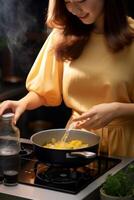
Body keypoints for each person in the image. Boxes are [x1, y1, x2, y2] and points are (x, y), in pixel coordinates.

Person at [0, 0, 134, 157]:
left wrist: (118, 110)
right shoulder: (62, 34)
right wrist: (21, 103)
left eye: (81, 0)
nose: (74, 9)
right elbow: (44, 91)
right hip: (75, 144)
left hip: (127, 146)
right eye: (67, 2)